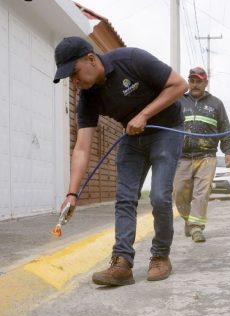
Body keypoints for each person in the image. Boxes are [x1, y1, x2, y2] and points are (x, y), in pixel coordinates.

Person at [53, 37, 188, 286]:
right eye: (69, 78)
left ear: (91, 59)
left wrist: (144, 114)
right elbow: (82, 148)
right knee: (125, 198)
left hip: (166, 129)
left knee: (159, 196)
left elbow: (179, 85)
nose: (74, 81)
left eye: (74, 73)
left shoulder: (132, 59)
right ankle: (122, 263)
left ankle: (160, 256)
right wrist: (72, 193)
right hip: (132, 136)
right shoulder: (87, 98)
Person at [173, 67, 230, 243]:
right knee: (178, 193)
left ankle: (196, 228)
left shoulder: (216, 104)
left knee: (202, 193)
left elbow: (225, 129)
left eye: (199, 81)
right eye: (192, 81)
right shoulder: (178, 102)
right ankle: (189, 220)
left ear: (205, 82)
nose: (195, 84)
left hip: (207, 155)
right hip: (182, 156)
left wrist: (228, 151)